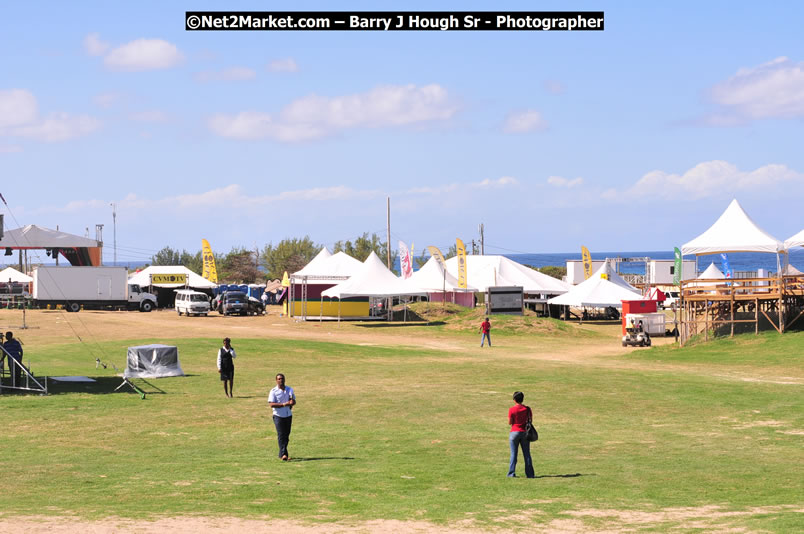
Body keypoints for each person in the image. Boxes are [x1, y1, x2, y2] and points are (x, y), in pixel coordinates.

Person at [268, 373, 296, 461]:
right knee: (281, 434)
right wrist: (284, 404)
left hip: (288, 415)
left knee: (286, 435)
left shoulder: (289, 389)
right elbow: (271, 404)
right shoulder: (273, 391)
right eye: (279, 379)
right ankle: (284, 454)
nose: (281, 380)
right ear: (276, 380)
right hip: (278, 415)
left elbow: (293, 400)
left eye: (282, 378)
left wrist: (292, 402)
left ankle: (282, 454)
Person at [507, 391, 535, 478]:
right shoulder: (527, 409)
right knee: (527, 454)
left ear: (514, 399)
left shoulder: (512, 409)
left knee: (513, 454)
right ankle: (530, 474)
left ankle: (511, 473)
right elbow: (530, 420)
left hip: (514, 432)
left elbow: (510, 422)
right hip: (525, 433)